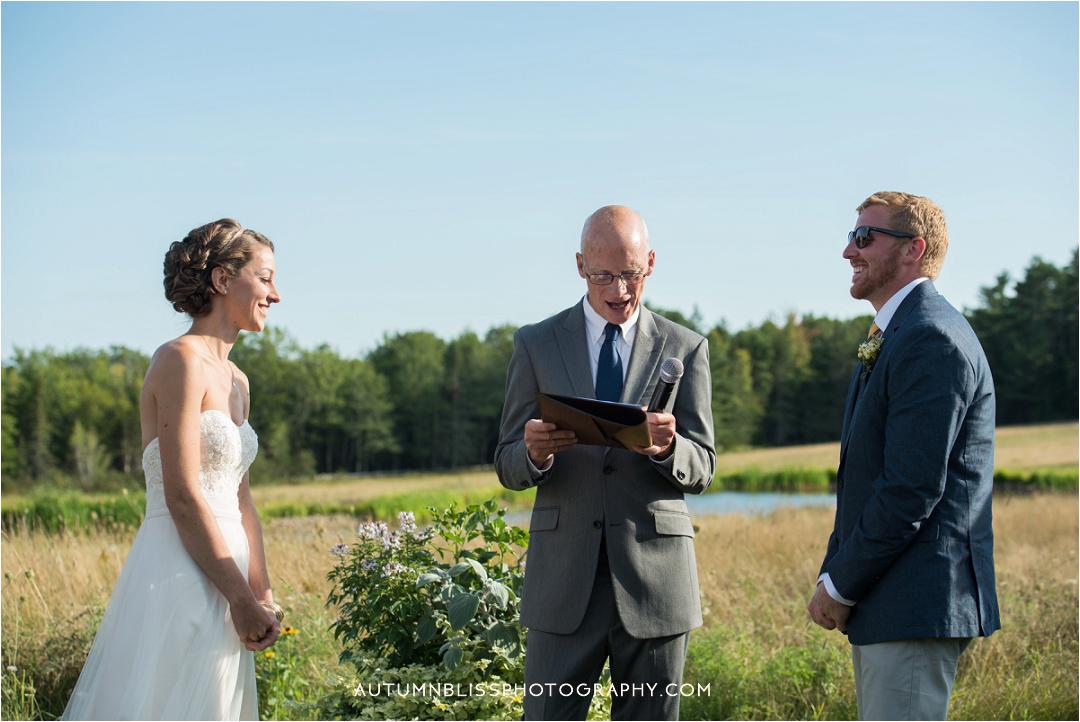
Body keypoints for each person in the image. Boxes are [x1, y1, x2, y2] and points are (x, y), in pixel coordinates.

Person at [495, 205, 715, 720]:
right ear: (579, 266)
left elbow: (703, 465)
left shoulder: (687, 347)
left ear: (652, 263)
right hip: (562, 584)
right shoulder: (536, 343)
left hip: (657, 585)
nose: (618, 290)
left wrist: (667, 448)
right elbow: (506, 463)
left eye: (631, 274)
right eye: (603, 276)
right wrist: (532, 454)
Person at [63, 219, 284, 720]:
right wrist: (239, 597)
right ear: (224, 280)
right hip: (181, 570)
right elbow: (182, 495)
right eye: (265, 277)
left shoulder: (237, 380)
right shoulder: (177, 360)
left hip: (233, 581)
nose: (276, 293)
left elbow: (241, 501)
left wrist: (261, 591)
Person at [807, 192, 1000, 720]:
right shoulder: (898, 332)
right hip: (889, 603)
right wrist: (835, 574)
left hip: (914, 604)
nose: (849, 251)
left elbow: (910, 486)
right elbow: (868, 477)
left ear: (913, 250)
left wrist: (841, 583)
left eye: (864, 237)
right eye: (851, 236)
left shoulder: (930, 337)